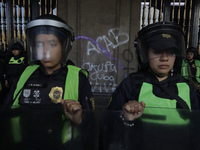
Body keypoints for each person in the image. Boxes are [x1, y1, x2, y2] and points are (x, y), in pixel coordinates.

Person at [2, 14, 94, 149]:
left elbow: (90, 125)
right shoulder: (26, 74)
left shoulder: (78, 77)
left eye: (52, 44)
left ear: (64, 46)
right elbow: (6, 113)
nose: (45, 51)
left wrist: (78, 119)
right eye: (39, 44)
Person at [108, 21, 200, 119]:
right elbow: (109, 125)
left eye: (170, 52)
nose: (164, 58)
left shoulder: (187, 89)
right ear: (145, 55)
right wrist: (125, 117)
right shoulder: (131, 85)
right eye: (157, 52)